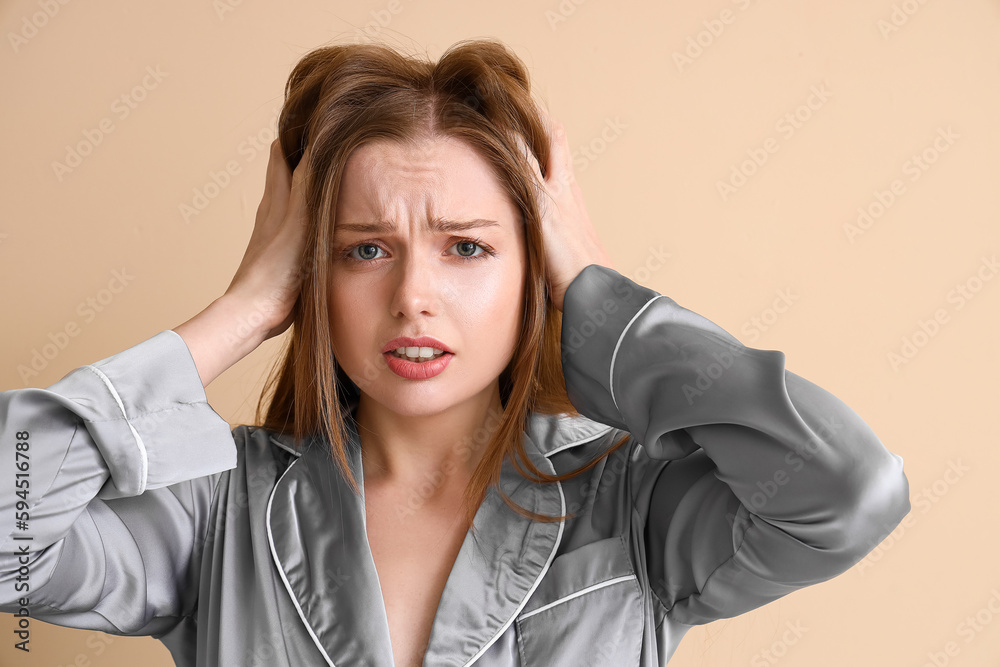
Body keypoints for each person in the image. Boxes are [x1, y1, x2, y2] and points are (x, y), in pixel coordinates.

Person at [0, 38, 910, 666]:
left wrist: (594, 287)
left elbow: (849, 491)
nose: (413, 297)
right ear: (312, 275)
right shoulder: (217, 509)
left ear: (532, 271)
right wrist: (244, 306)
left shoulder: (632, 510)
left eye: (467, 246)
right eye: (365, 248)